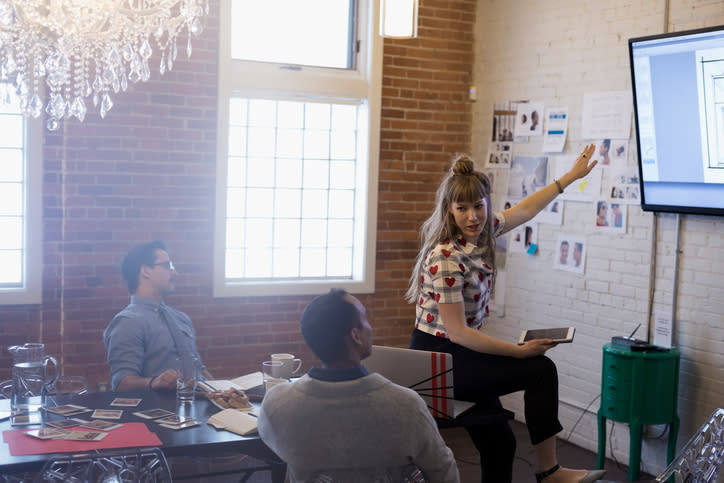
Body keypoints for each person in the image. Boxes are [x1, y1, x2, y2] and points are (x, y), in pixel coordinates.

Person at [406, 145, 606, 483]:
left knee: (500, 442)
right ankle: (550, 472)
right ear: (449, 211)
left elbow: (526, 210)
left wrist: (571, 176)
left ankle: (548, 471)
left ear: (487, 205)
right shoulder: (445, 257)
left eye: (479, 207)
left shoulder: (484, 234)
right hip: (438, 360)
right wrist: (518, 351)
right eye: (463, 208)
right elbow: (459, 334)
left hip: (459, 354)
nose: (473, 217)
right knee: (540, 369)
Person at [258, 289, 460, 483]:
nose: (370, 328)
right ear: (355, 335)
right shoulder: (407, 405)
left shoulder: (278, 404)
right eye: (365, 320)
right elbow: (443, 471)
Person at [104, 241, 212, 391]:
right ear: (146, 271)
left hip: (201, 407)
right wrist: (154, 382)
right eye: (168, 266)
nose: (175, 273)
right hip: (163, 410)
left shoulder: (181, 318)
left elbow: (199, 370)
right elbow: (121, 383)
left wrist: (220, 391)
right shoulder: (128, 322)